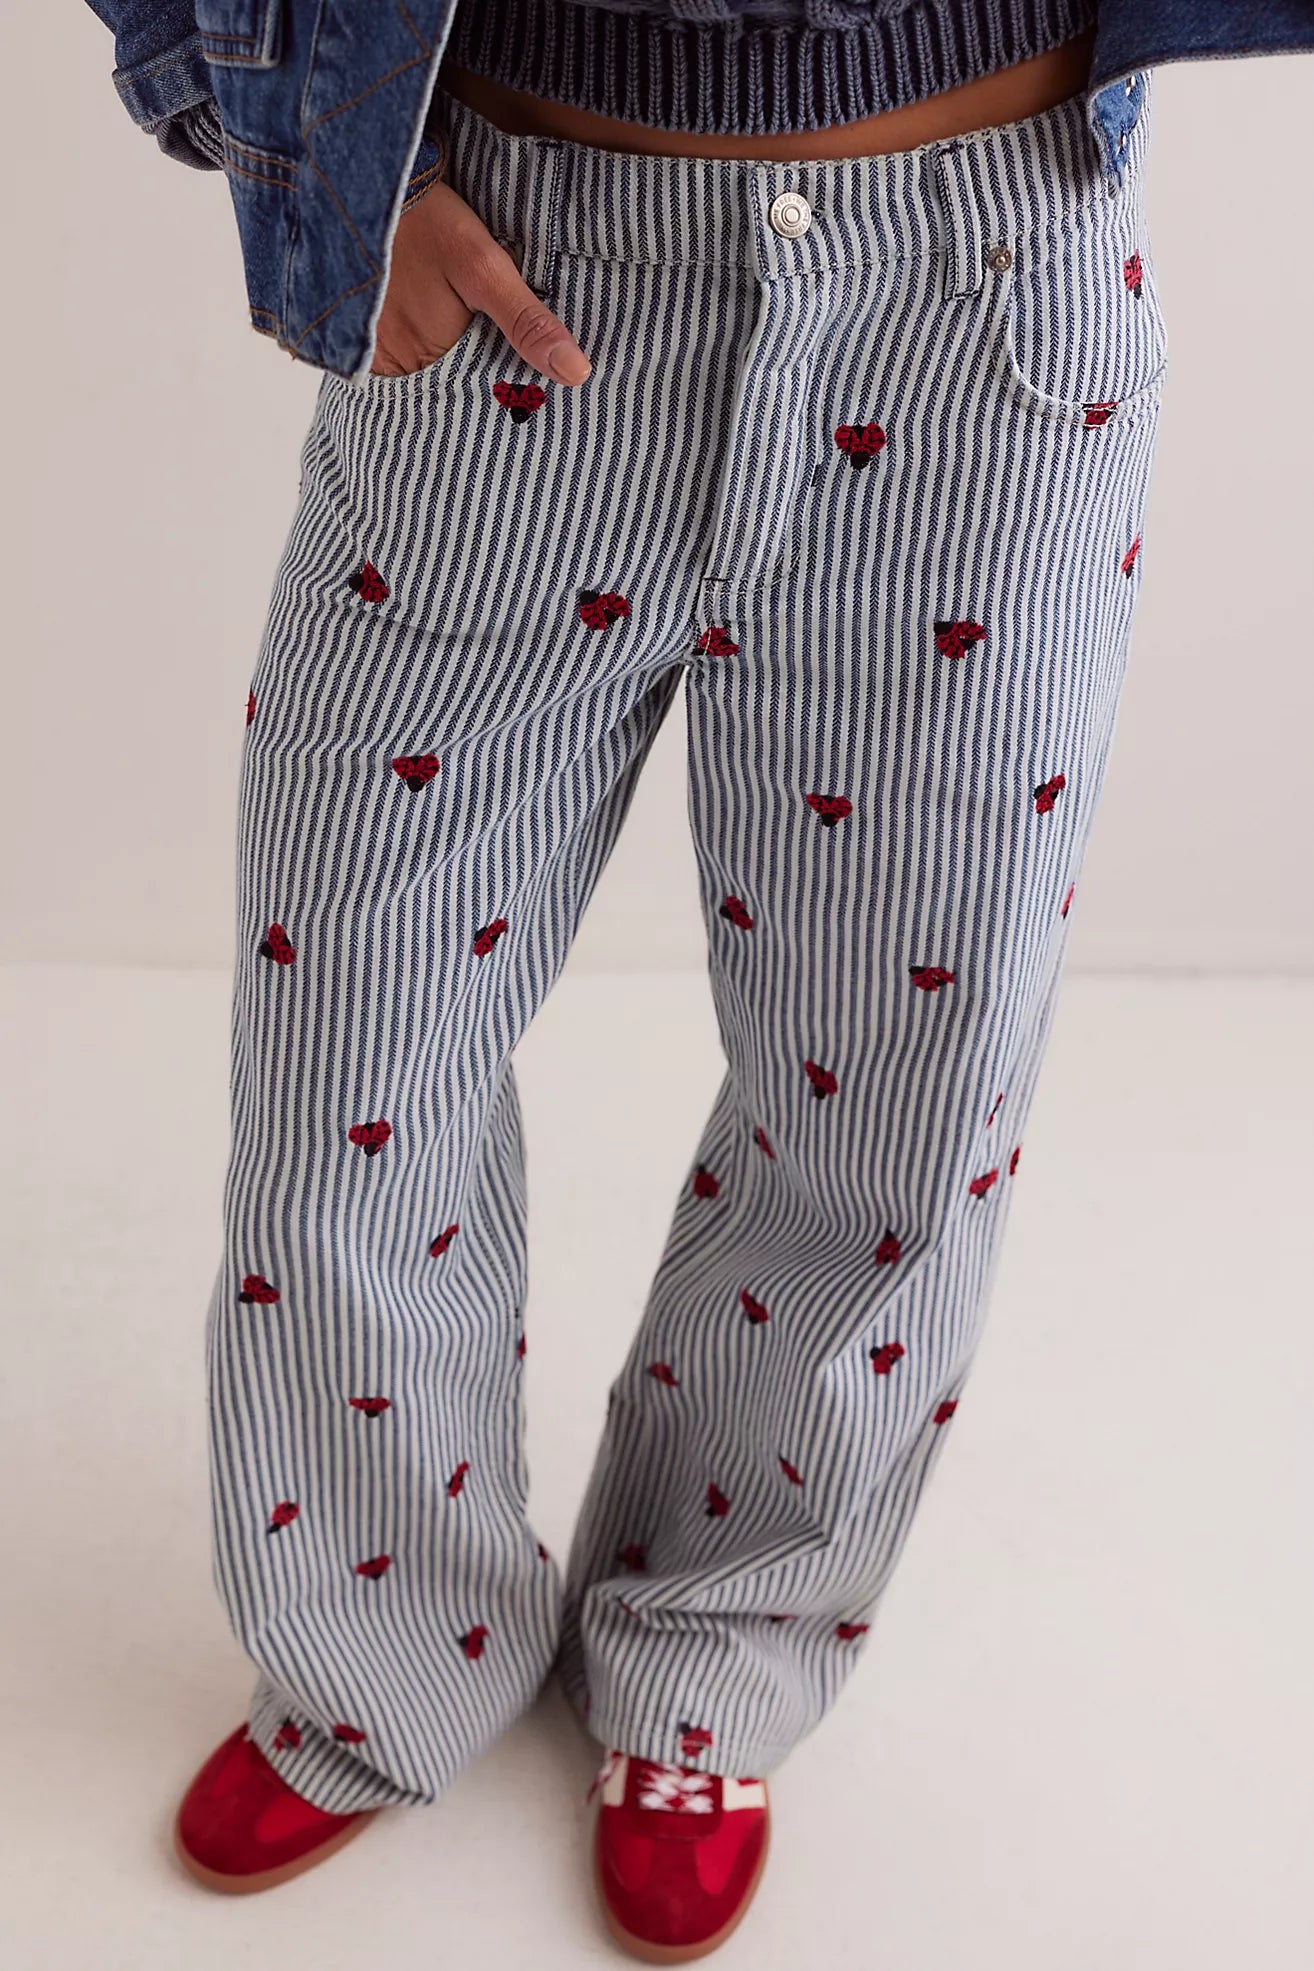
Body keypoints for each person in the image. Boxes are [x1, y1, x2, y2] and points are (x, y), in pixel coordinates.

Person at [82, 1, 1311, 1959]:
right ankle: (376, 1644)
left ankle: (716, 1647)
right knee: (352, 1049)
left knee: (895, 1075)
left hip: (983, 305)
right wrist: (295, 153)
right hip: (511, 276)